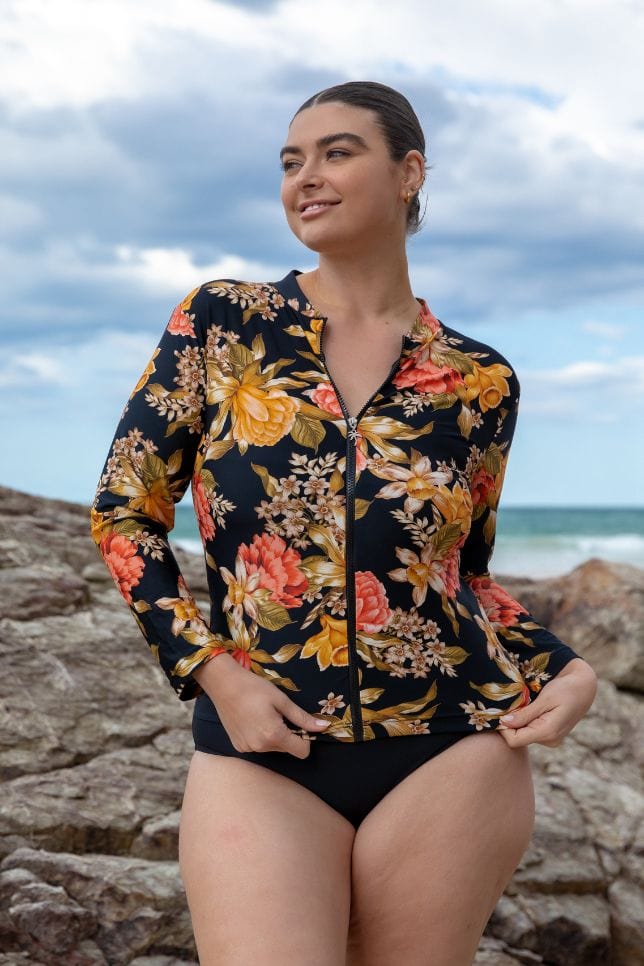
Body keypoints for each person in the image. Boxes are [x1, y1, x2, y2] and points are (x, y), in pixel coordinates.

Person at [90, 81, 598, 966]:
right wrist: (214, 675)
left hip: (452, 755)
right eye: (291, 162)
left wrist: (567, 669)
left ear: (410, 173)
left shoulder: (481, 380)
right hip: (265, 746)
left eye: (336, 152)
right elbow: (126, 513)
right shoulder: (223, 324)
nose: (305, 178)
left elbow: (462, 578)